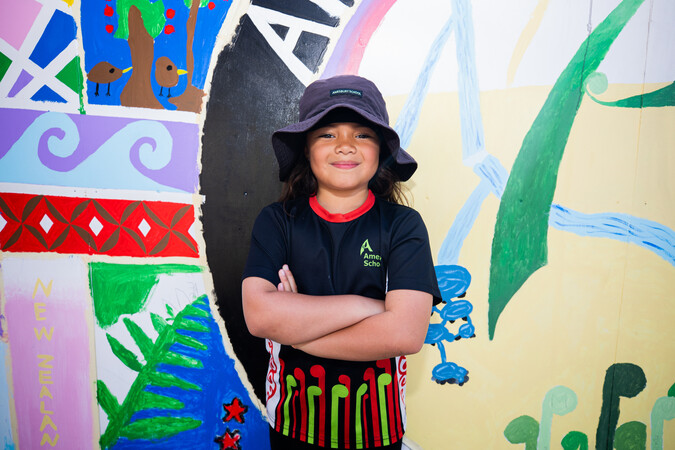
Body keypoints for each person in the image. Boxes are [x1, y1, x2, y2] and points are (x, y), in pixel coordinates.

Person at [241, 75, 441, 449]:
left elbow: (405, 334)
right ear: (306, 149)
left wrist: (296, 328)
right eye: (328, 134)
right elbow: (260, 317)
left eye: (362, 134)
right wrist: (370, 308)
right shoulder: (277, 221)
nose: (346, 146)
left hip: (378, 432)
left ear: (381, 149)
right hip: (292, 428)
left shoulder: (403, 225)